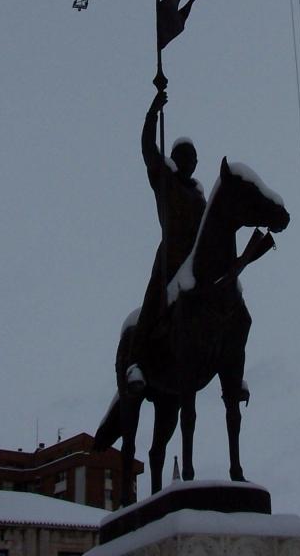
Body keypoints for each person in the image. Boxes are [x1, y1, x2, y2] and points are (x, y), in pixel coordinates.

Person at [125, 87, 207, 394]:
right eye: (185, 156)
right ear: (175, 158)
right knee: (152, 303)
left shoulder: (199, 196)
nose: (191, 161)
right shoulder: (165, 180)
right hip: (171, 256)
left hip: (196, 260)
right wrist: (153, 112)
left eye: (194, 158)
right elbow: (148, 147)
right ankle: (136, 362)